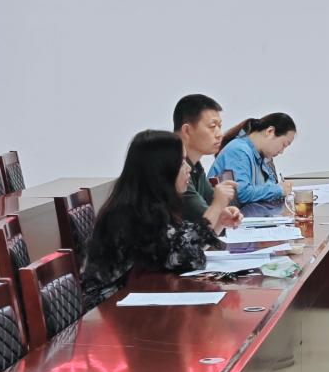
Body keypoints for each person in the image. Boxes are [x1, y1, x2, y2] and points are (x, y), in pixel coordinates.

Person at [81, 130, 242, 310]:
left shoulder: (152, 205)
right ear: (162, 171)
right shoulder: (130, 214)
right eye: (181, 162)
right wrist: (217, 205)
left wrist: (220, 221)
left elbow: (183, 245)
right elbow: (184, 253)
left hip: (137, 300)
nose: (188, 168)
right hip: (110, 308)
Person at [209, 113, 296, 215]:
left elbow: (266, 186)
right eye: (284, 145)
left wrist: (279, 189)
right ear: (270, 131)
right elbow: (243, 193)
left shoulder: (260, 155)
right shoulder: (239, 150)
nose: (281, 152)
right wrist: (279, 189)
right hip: (222, 219)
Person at [173, 94, 239, 226]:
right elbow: (205, 222)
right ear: (187, 130)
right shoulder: (172, 167)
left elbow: (218, 213)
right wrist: (220, 205)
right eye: (212, 126)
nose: (220, 134)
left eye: (219, 126)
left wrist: (226, 211)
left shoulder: (195, 166)